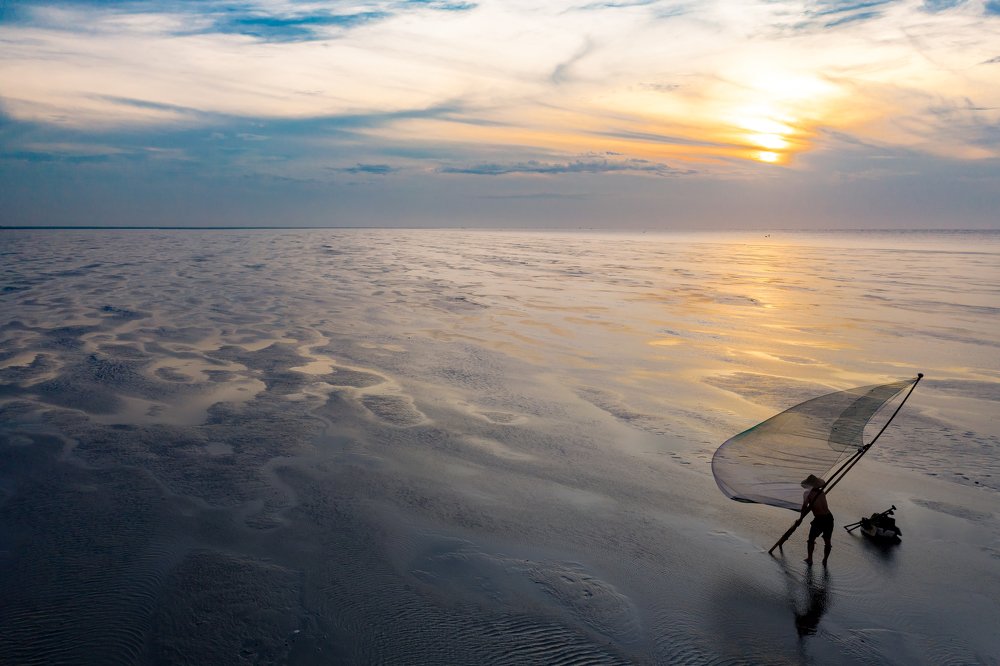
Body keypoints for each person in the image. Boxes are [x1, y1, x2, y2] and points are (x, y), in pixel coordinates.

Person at [800, 474, 833, 566]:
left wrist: (801, 518)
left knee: (811, 540)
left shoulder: (807, 493)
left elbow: (804, 506)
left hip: (820, 519)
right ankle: (825, 560)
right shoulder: (821, 492)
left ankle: (810, 559)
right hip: (829, 518)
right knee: (827, 541)